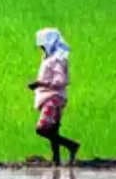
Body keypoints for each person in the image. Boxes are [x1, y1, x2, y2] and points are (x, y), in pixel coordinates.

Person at [28, 28, 80, 166]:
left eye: (42, 44)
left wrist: (40, 83)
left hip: (53, 98)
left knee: (42, 129)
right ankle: (56, 161)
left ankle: (71, 145)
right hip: (49, 97)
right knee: (53, 131)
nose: (40, 47)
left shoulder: (57, 60)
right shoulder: (49, 58)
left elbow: (60, 81)